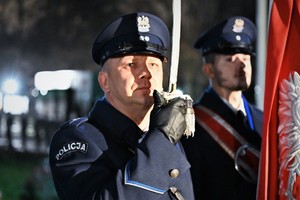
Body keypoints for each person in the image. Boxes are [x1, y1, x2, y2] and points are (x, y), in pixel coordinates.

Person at [49, 12, 195, 200]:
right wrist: (162, 140)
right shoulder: (77, 140)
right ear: (105, 82)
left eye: (154, 64)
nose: (146, 73)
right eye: (131, 64)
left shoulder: (166, 134)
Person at [181, 16, 263, 200]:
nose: (241, 64)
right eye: (230, 59)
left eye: (245, 57)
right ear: (209, 70)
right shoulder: (190, 124)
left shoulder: (265, 120)